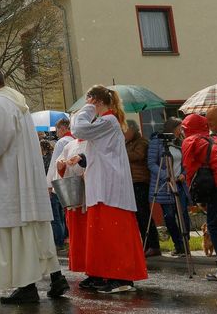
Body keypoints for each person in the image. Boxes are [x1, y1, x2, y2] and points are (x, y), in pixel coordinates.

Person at [0, 67, 67, 304]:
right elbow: (2, 129)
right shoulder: (15, 101)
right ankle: (56, 277)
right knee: (33, 231)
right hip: (26, 178)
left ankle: (27, 287)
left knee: (16, 232)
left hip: (11, 181)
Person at [71, 85, 147, 293]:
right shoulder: (104, 122)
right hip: (102, 184)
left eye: (88, 102)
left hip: (111, 186)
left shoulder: (109, 120)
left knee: (115, 232)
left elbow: (78, 128)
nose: (85, 107)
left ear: (95, 101)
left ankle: (121, 277)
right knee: (103, 234)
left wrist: (88, 109)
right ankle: (106, 272)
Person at [181, 113, 217, 281]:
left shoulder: (190, 141)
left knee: (215, 226)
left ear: (187, 129)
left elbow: (190, 169)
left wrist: (198, 198)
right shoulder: (212, 138)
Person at [147, 117, 190, 257]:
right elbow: (151, 163)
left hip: (179, 184)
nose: (181, 130)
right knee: (170, 216)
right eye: (179, 128)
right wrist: (166, 174)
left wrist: (183, 173)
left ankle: (185, 244)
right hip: (165, 185)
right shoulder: (157, 142)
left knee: (183, 214)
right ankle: (178, 244)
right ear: (172, 128)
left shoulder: (180, 142)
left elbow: (185, 162)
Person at [124, 119, 161, 257]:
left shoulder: (142, 142)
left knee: (144, 214)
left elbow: (138, 156)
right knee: (138, 215)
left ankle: (153, 244)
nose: (124, 133)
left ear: (133, 130)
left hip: (140, 181)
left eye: (126, 130)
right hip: (131, 181)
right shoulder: (128, 143)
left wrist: (122, 153)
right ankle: (145, 244)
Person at [55, 136, 88, 275]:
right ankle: (78, 263)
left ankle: (89, 265)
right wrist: (61, 165)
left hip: (87, 192)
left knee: (87, 231)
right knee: (75, 231)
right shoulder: (69, 145)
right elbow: (60, 166)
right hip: (73, 193)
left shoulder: (91, 142)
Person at [46, 118, 73, 249]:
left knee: (57, 215)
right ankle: (69, 237)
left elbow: (53, 165)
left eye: (57, 129)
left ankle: (59, 240)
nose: (56, 132)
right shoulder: (75, 140)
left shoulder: (62, 142)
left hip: (62, 181)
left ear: (63, 128)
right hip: (74, 181)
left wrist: (49, 185)